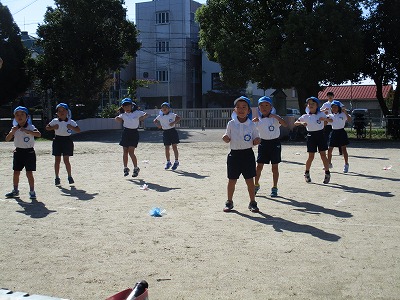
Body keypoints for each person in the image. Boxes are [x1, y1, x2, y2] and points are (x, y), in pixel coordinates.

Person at [222, 96, 261, 213]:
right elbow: (226, 136)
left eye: (244, 107)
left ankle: (252, 202)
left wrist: (257, 140)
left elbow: (256, 137)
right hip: (234, 155)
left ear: (248, 111)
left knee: (249, 180)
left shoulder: (252, 124)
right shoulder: (231, 124)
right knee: (232, 179)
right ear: (234, 110)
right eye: (238, 107)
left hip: (248, 154)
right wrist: (225, 138)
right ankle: (229, 201)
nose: (241, 109)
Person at [252, 96, 287, 197]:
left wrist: (276, 117)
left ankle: (274, 187)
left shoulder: (275, 118)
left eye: (267, 105)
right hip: (263, 144)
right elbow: (252, 131)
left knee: (274, 167)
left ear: (271, 107)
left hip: (274, 143)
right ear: (259, 108)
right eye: (261, 105)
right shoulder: (257, 120)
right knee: (259, 166)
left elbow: (285, 124)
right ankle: (256, 184)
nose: (264, 107)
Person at [5, 106, 41, 199]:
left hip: (29, 152)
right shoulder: (15, 128)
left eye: (22, 114)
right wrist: (12, 132)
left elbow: (38, 134)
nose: (19, 116)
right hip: (18, 152)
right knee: (16, 172)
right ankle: (15, 190)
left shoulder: (30, 126)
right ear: (14, 117)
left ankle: (32, 191)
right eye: (17, 115)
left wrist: (28, 131)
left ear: (27, 116)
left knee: (29, 173)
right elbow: (7, 139)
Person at [294, 97, 332, 184]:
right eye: (309, 104)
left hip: (320, 135)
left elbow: (330, 120)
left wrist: (325, 119)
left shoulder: (321, 114)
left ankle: (327, 173)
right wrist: (301, 123)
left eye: (313, 104)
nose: (311, 105)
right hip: (311, 136)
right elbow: (295, 122)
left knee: (323, 155)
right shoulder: (305, 116)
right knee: (311, 156)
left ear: (317, 106)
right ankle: (307, 173)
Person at [46, 103, 81, 185]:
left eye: (63, 110)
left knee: (66, 160)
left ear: (67, 112)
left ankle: (69, 176)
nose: (61, 112)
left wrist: (71, 127)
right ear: (57, 113)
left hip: (67, 140)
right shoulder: (55, 121)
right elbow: (47, 127)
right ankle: (57, 177)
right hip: (57, 140)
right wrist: (53, 127)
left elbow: (78, 130)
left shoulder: (70, 122)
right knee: (57, 160)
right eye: (59, 111)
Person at [115, 98, 148, 177]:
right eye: (125, 106)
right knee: (125, 151)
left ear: (132, 105)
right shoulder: (123, 114)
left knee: (131, 151)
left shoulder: (137, 112)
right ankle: (125, 168)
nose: (127, 107)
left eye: (128, 105)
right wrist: (117, 119)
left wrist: (141, 118)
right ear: (123, 107)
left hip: (134, 133)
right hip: (126, 132)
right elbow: (118, 118)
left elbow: (146, 114)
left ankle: (136, 168)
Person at [153, 102, 181, 170]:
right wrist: (158, 126)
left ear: (169, 109)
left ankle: (176, 161)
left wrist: (173, 122)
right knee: (167, 147)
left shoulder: (172, 114)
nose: (164, 109)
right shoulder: (160, 116)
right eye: (163, 107)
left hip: (172, 131)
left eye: (166, 107)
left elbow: (179, 118)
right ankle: (168, 162)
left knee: (174, 146)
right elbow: (155, 120)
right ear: (161, 109)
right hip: (165, 132)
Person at [327, 100, 352, 173]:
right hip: (334, 132)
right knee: (330, 149)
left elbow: (350, 120)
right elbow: (325, 122)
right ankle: (329, 163)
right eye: (332, 107)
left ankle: (346, 164)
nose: (334, 108)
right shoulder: (330, 115)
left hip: (341, 132)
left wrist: (346, 113)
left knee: (344, 149)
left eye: (335, 107)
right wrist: (325, 117)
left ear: (339, 108)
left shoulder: (343, 114)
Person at [320, 91, 342, 158]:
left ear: (333, 96)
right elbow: (320, 111)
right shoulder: (325, 104)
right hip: (328, 122)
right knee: (326, 136)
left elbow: (343, 108)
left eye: (331, 96)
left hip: (335, 123)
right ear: (327, 97)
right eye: (328, 96)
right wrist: (324, 110)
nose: (330, 97)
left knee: (338, 137)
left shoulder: (336, 103)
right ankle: (325, 149)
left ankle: (340, 150)